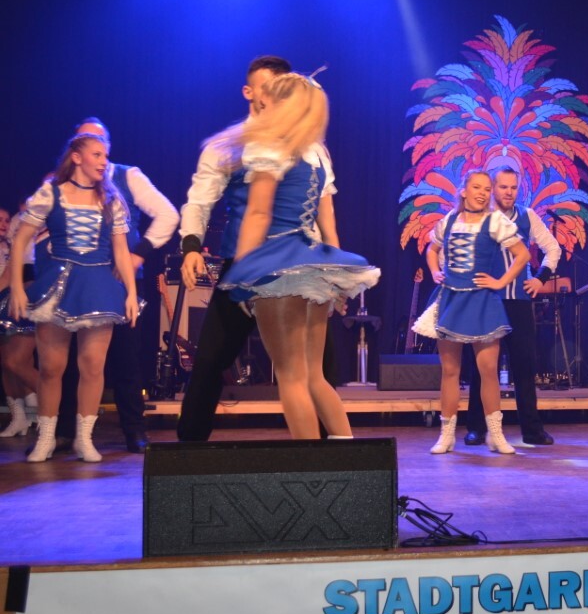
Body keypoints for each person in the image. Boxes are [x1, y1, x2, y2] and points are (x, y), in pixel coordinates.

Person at [215, 73, 379, 439]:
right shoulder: (317, 153)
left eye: (267, 99)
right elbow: (328, 221)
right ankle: (348, 457)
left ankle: (312, 464)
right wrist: (335, 276)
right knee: (314, 375)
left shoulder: (271, 147)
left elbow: (259, 214)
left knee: (290, 376)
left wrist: (244, 269)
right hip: (313, 264)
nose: (261, 105)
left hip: (279, 264)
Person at [177, 55, 294, 442]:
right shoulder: (227, 145)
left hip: (294, 265)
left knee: (313, 365)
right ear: (249, 92)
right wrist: (191, 246)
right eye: (267, 86)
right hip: (242, 263)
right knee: (211, 359)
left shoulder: (302, 142)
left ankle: (330, 456)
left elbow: (318, 207)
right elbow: (200, 200)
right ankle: (189, 448)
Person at [7, 133, 139, 462]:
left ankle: (84, 439)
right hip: (58, 286)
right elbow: (21, 238)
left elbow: (121, 251)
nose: (104, 161)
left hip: (98, 286)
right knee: (51, 368)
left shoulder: (111, 199)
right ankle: (46, 438)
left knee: (93, 366)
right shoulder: (50, 193)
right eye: (97, 154)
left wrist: (131, 292)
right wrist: (18, 287)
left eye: (105, 155)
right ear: (77, 157)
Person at [51, 118, 178, 455]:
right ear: (75, 150)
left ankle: (134, 430)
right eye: (85, 138)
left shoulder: (127, 176)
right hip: (75, 283)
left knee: (125, 358)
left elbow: (168, 214)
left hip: (119, 282)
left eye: (99, 141)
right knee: (67, 359)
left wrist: (138, 255)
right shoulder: (60, 186)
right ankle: (65, 430)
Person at [413, 170, 531, 456]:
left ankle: (496, 435)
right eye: (477, 187)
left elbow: (523, 255)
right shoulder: (449, 220)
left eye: (487, 189)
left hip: (482, 301)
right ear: (464, 191)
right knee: (450, 371)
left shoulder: (496, 221)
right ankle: (446, 435)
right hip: (451, 299)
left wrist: (501, 282)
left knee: (488, 370)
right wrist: (435, 271)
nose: (482, 193)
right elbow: (432, 250)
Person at [462, 159, 560, 446]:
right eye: (503, 187)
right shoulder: (480, 216)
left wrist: (540, 279)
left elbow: (553, 248)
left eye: (513, 187)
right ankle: (476, 428)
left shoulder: (527, 216)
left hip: (518, 301)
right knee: (482, 368)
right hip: (487, 301)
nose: (508, 192)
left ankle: (532, 430)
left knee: (525, 366)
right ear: (493, 188)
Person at [0, 205, 40, 438]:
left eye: (6, 220)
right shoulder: (10, 242)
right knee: (6, 362)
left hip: (19, 298)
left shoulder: (15, 246)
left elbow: (9, 277)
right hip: (6, 299)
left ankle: (57, 409)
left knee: (16, 361)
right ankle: (19, 418)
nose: (4, 224)